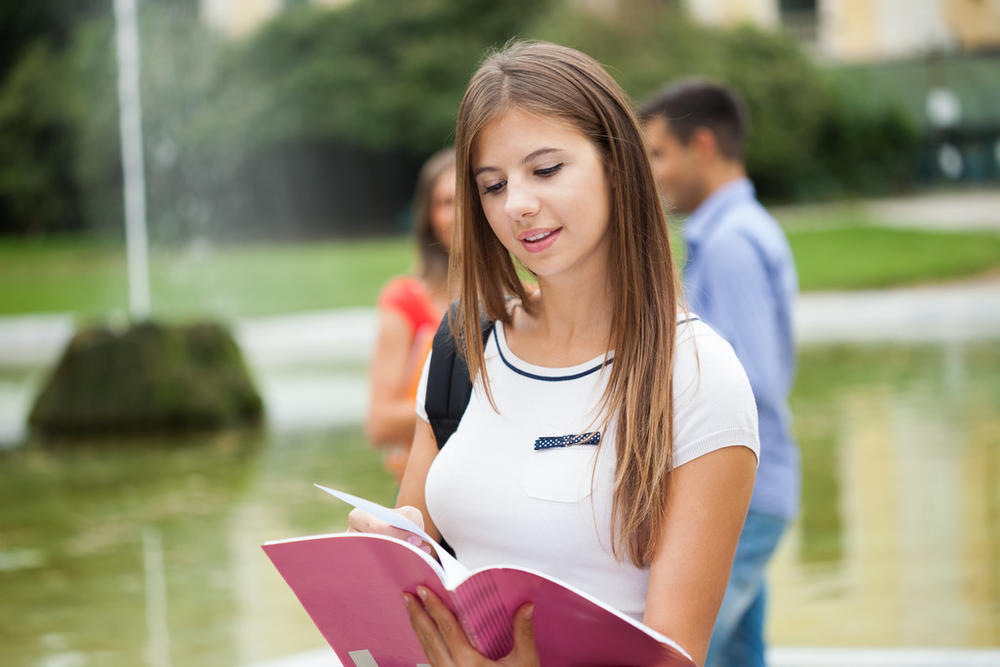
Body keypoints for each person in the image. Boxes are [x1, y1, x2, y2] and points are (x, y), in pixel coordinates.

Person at [350, 42, 759, 666]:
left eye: (545, 171)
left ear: (616, 165)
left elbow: (675, 657)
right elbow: (419, 569)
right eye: (492, 185)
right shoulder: (466, 345)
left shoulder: (699, 376)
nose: (516, 204)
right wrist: (386, 559)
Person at [640, 80, 800, 667]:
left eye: (658, 153)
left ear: (701, 145)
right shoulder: (730, 232)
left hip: (740, 494)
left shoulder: (731, 243)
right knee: (738, 655)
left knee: (683, 655)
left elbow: (749, 386)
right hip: (751, 492)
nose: (649, 173)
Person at [366, 148, 455, 482]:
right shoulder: (406, 300)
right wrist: (465, 401)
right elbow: (381, 424)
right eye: (446, 203)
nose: (458, 215)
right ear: (429, 216)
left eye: (468, 201)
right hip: (424, 489)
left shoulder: (525, 297)